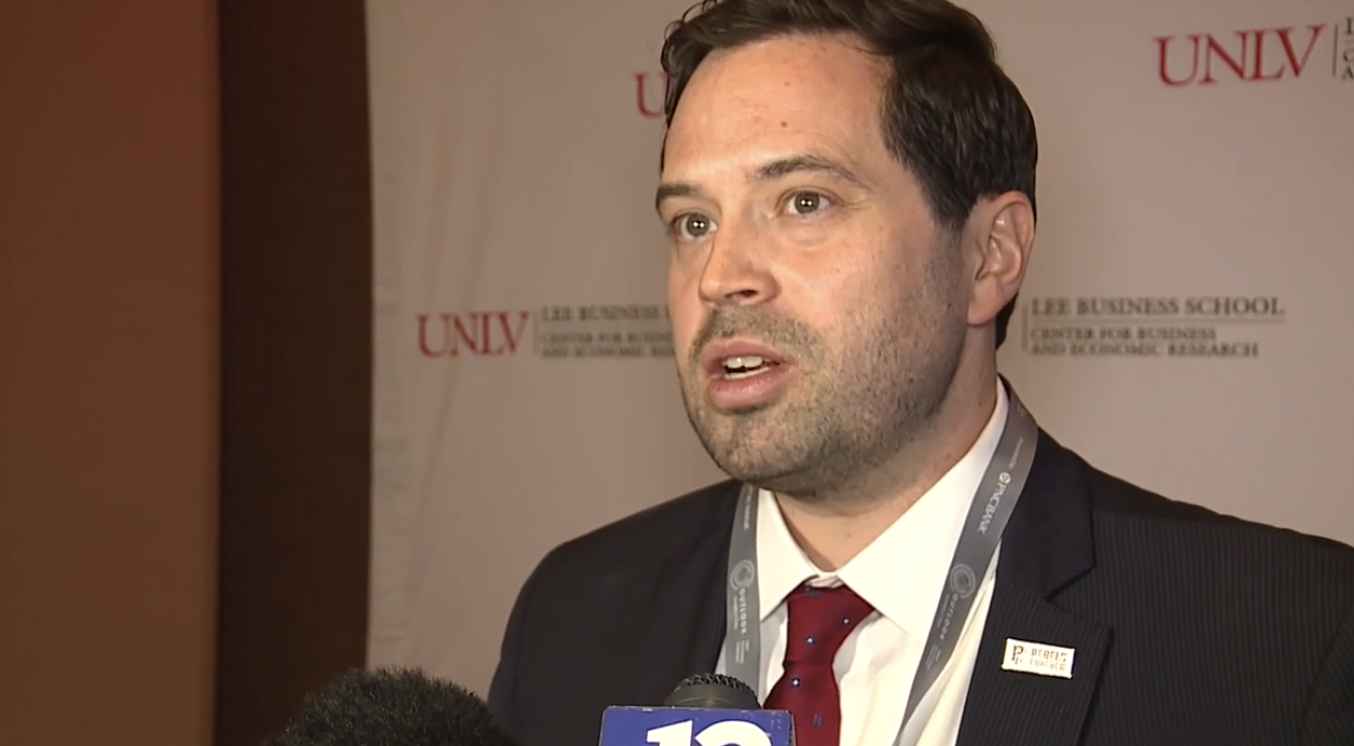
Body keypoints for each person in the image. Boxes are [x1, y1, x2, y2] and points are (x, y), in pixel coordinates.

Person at [486, 1, 1354, 745]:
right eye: (693, 222)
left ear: (989, 256)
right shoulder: (573, 615)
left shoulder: (1284, 640)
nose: (720, 276)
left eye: (804, 202)